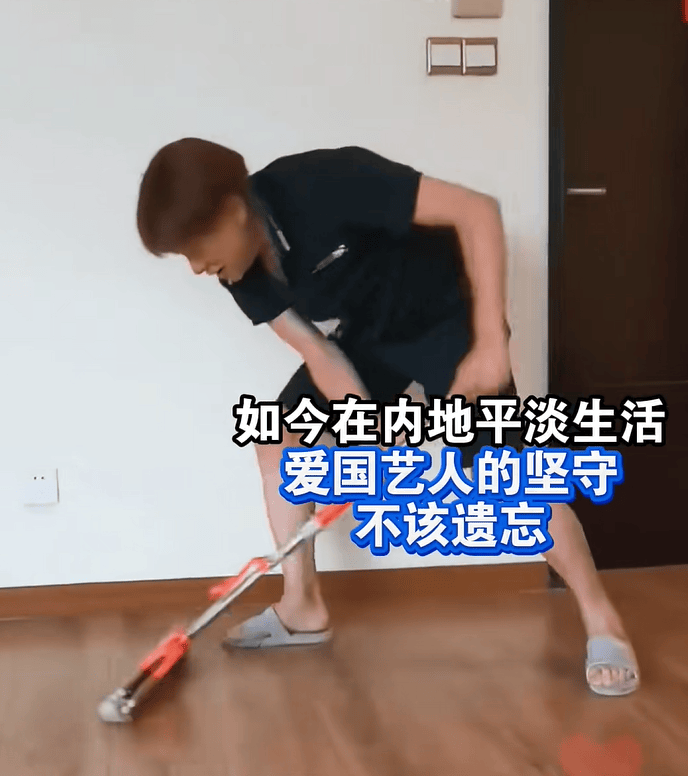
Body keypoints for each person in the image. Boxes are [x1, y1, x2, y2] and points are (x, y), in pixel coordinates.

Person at [135, 138, 639, 695]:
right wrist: (365, 428)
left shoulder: (322, 182)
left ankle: (603, 620)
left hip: (450, 319)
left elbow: (478, 211)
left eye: (196, 247)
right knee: (277, 436)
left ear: (233, 210)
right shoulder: (240, 273)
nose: (197, 267)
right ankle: (302, 607)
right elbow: (320, 353)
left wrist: (491, 342)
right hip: (369, 337)